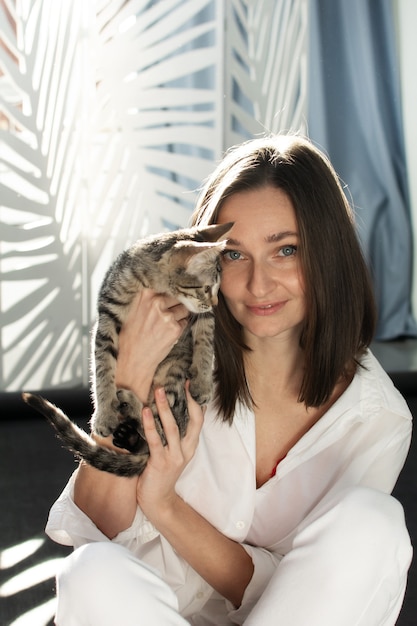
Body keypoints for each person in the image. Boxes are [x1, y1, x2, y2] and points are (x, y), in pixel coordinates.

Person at [46, 134, 412, 626]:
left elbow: (315, 590)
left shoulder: (377, 418)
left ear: (328, 253)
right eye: (234, 255)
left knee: (377, 526)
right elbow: (97, 532)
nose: (258, 285)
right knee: (92, 573)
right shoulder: (168, 356)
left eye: (285, 249)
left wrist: (164, 505)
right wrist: (129, 374)